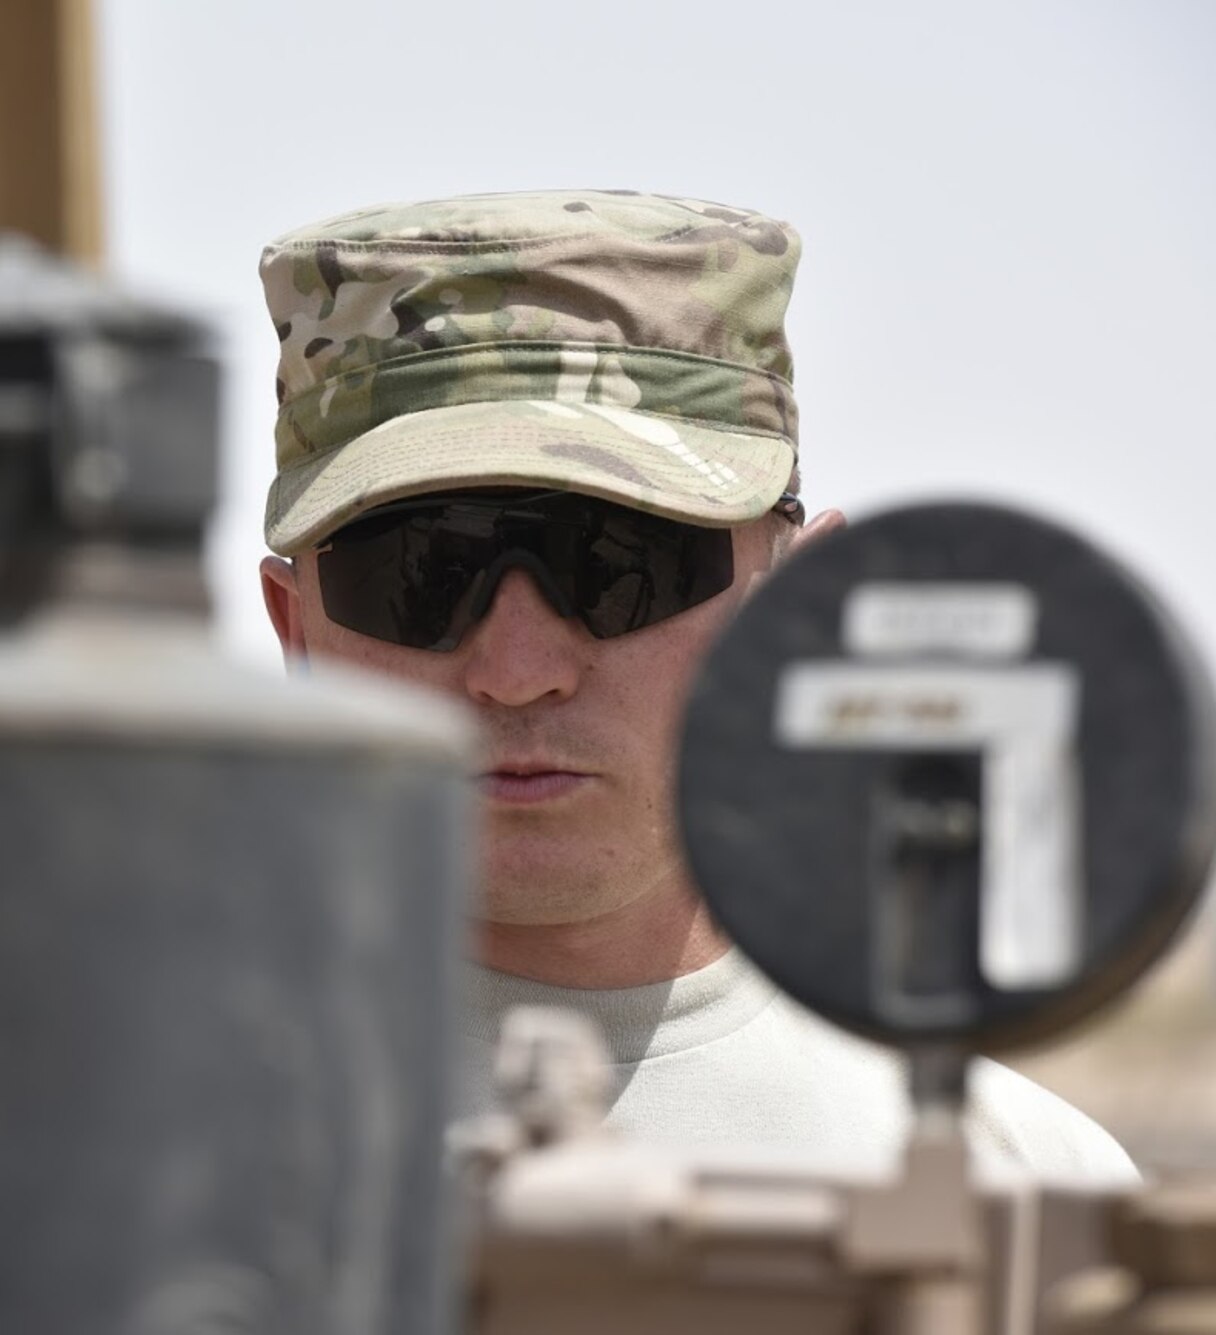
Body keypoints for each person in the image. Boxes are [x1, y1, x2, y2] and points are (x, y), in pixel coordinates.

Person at [253, 188, 1136, 1181]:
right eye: (415, 575)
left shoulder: (1018, 1188)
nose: (516, 672)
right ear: (296, 631)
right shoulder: (108, 1148)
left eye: (622, 563)